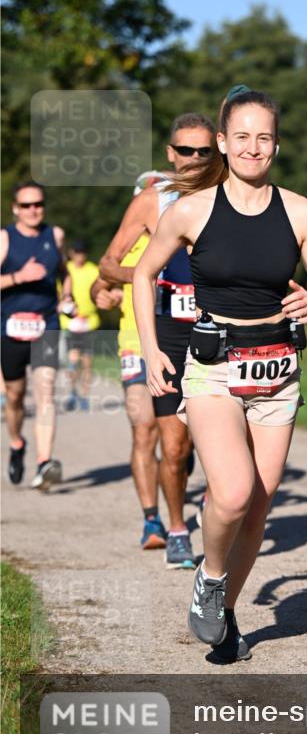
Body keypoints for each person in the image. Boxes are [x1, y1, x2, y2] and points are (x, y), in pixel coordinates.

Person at [133, 85, 307, 660]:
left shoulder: (302, 213)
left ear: (276, 144)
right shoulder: (191, 210)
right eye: (242, 136)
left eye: (264, 137)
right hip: (213, 368)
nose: (254, 147)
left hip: (278, 371)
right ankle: (210, 575)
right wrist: (152, 349)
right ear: (222, 143)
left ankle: (224, 617)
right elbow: (142, 274)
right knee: (231, 492)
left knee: (260, 503)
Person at [98, 116, 215, 569]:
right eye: (185, 151)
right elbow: (108, 264)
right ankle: (176, 528)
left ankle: (212, 503)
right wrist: (148, 276)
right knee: (173, 442)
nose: (193, 161)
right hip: (167, 333)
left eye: (204, 152)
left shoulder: (226, 196)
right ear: (170, 153)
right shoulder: (152, 200)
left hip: (219, 329)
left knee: (221, 437)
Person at [92, 177, 165, 550]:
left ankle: (187, 486)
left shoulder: (184, 234)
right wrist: (104, 293)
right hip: (134, 346)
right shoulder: (131, 240)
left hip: (178, 345)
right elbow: (100, 279)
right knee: (143, 429)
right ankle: (152, 519)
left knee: (180, 439)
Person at [1, 181, 72, 490]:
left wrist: (67, 298)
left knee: (45, 391)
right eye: (27, 205)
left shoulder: (54, 235)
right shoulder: (5, 238)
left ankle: (44, 462)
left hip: (46, 324)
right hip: (10, 326)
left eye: (38, 204)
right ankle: (17, 443)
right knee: (15, 396)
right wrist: (19, 277)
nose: (33, 210)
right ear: (16, 208)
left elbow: (64, 273)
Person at [60, 239, 100, 412]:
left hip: (89, 322)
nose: (80, 256)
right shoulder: (65, 269)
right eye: (77, 252)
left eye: (82, 252)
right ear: (71, 253)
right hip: (70, 322)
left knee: (87, 362)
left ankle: (83, 395)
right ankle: (71, 392)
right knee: (73, 359)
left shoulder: (93, 270)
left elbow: (100, 292)